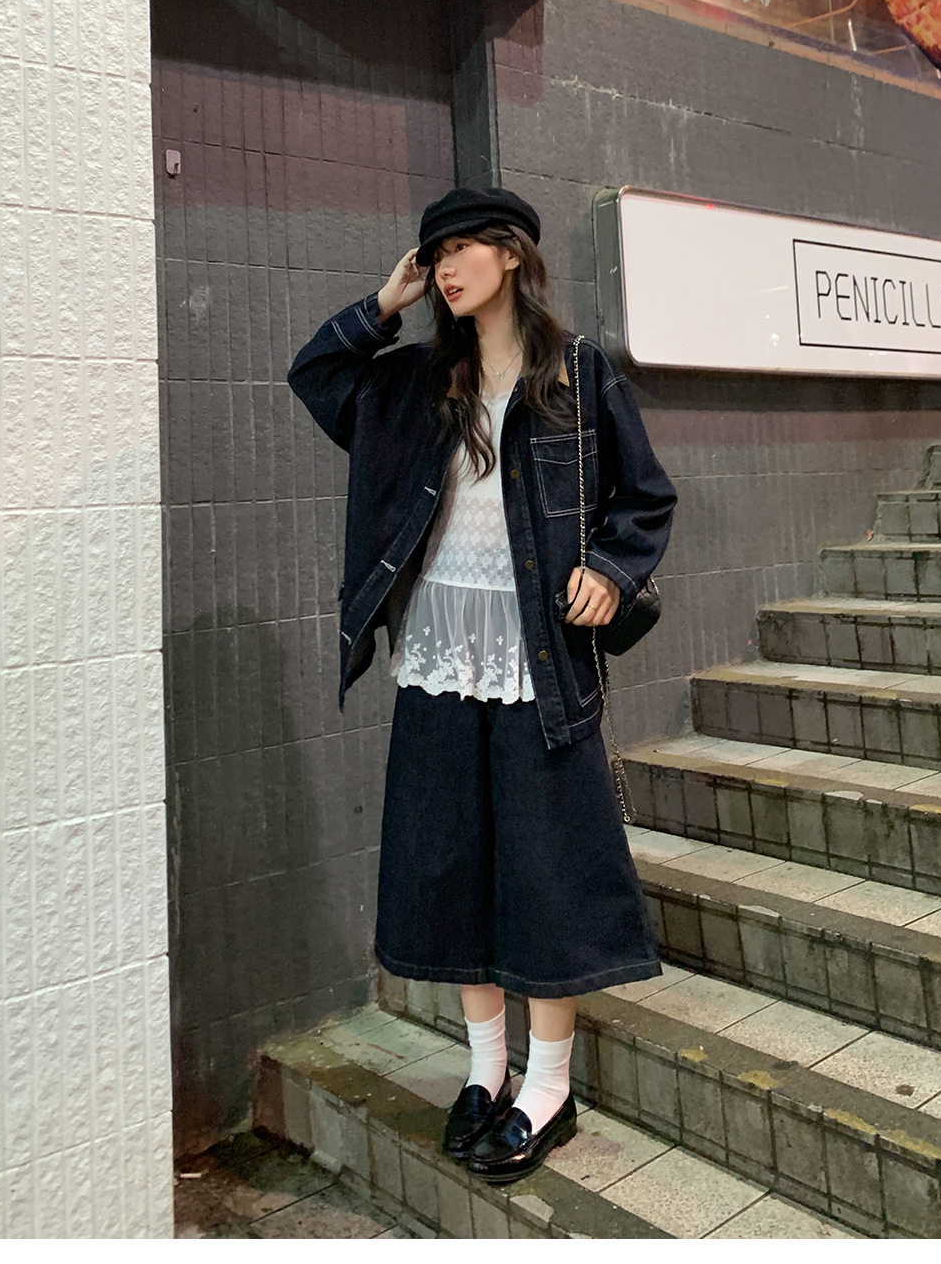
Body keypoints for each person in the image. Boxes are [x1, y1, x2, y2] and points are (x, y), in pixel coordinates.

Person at [287, 186, 677, 1185]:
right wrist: (383, 304)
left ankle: (548, 1087)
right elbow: (317, 374)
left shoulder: (577, 372)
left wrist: (612, 569)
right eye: (434, 256)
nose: (445, 267)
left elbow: (644, 496)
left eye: (462, 247)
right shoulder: (418, 382)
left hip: (538, 660)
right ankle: (484, 1070)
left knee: (548, 871)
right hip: (438, 654)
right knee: (451, 864)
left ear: (510, 253)